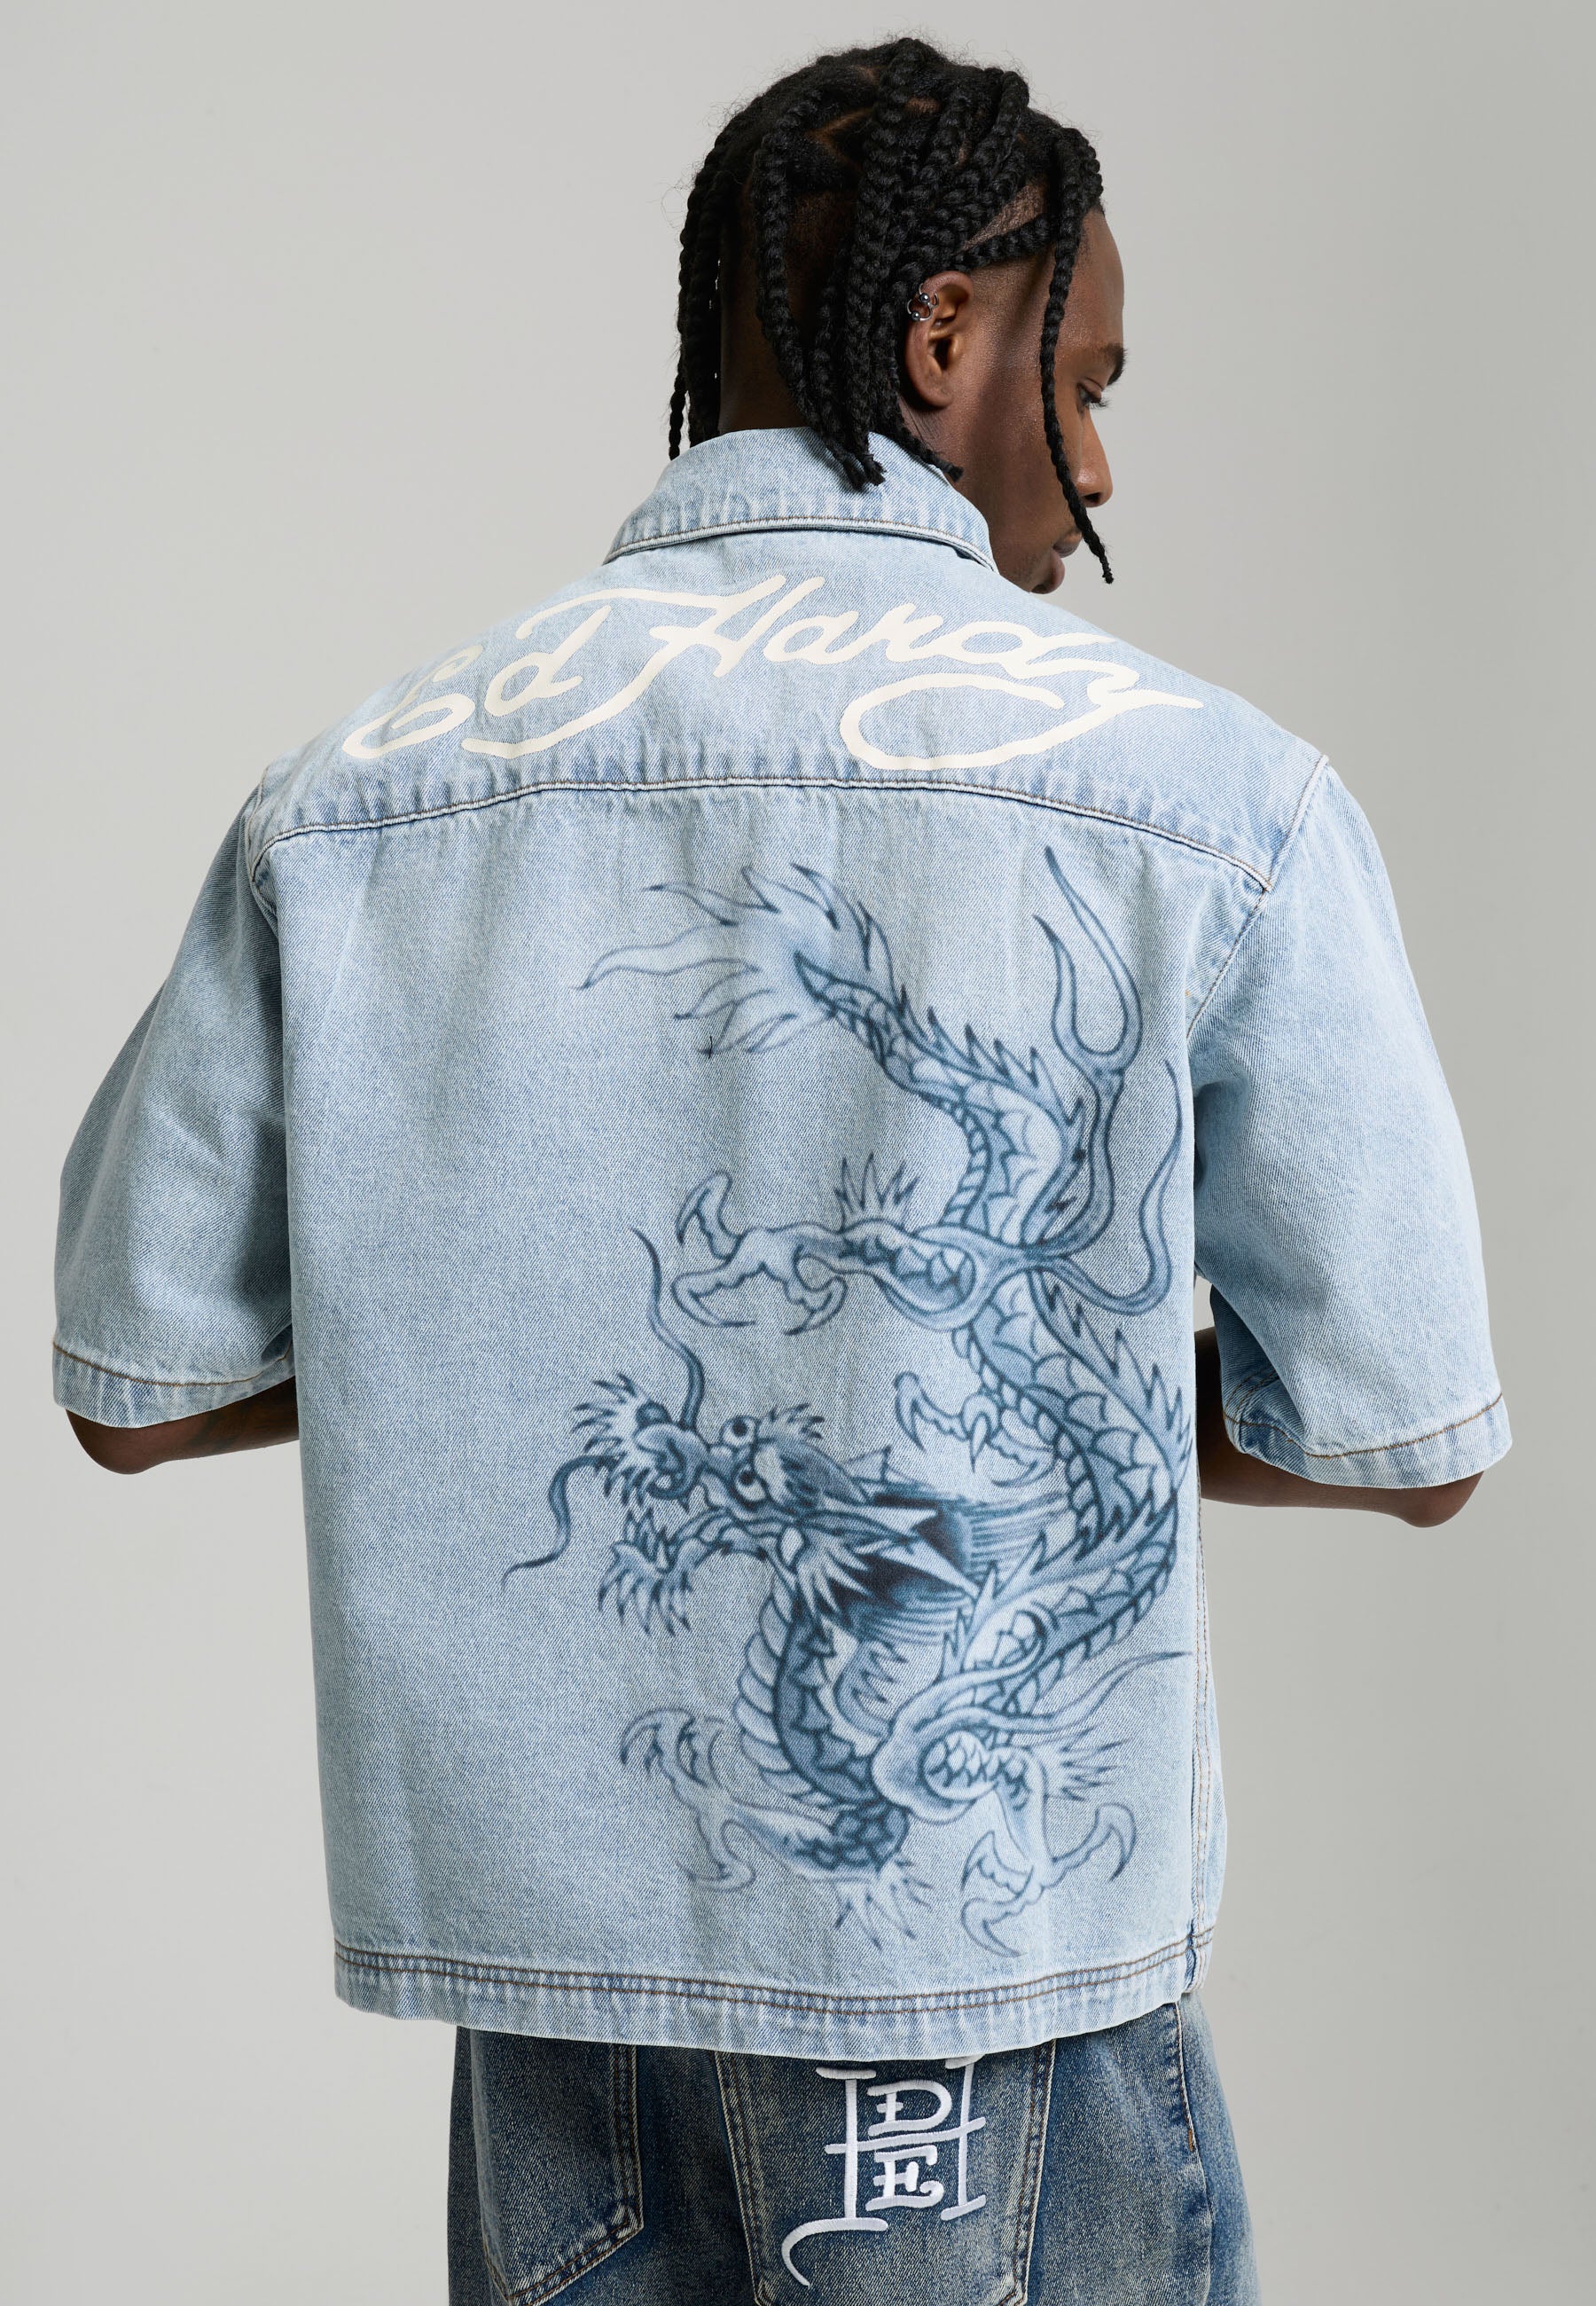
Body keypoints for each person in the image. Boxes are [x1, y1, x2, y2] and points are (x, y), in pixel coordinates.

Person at [55, 38, 1507, 2305]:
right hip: (989, 2003)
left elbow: (134, 1389)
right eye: (1084, 384)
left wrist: (525, 1362)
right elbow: (1406, 1430)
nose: (1097, 467)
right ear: (945, 338)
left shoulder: (358, 793)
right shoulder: (1217, 802)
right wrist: (1006, 1418)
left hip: (565, 2031)